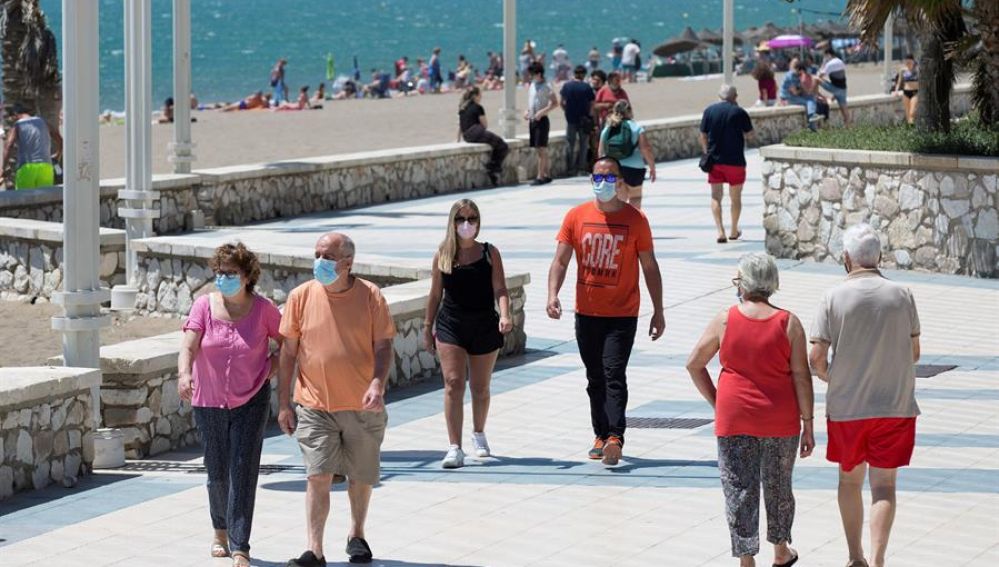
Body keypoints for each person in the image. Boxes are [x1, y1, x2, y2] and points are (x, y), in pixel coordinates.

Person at [686, 253, 815, 567]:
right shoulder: (789, 323)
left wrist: (719, 403)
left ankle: (746, 559)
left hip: (735, 419)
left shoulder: (725, 319)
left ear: (744, 282)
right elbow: (801, 374)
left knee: (739, 486)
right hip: (780, 420)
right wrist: (808, 422)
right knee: (778, 485)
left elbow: (694, 364)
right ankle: (781, 550)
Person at [277, 232, 395, 567]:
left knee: (360, 475)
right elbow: (287, 353)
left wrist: (377, 382)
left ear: (347, 262)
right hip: (314, 405)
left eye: (327, 256)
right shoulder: (300, 297)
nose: (319, 262)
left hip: (362, 405)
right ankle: (315, 550)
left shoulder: (370, 296)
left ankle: (356, 534)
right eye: (316, 254)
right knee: (318, 474)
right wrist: (284, 403)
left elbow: (384, 345)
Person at [808, 224, 921, 567]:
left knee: (849, 480)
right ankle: (877, 560)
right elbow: (914, 352)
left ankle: (855, 557)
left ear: (846, 259)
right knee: (884, 485)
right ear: (879, 258)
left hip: (848, 408)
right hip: (895, 406)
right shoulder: (902, 295)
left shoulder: (833, 297)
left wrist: (834, 378)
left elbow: (816, 358)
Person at [547, 156, 665, 466]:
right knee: (594, 377)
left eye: (610, 177)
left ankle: (616, 436)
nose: (604, 182)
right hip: (586, 313)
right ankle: (600, 435)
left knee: (614, 373)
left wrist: (659, 310)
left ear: (620, 181)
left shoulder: (635, 219)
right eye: (598, 177)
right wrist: (552, 294)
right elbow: (560, 260)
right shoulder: (576, 216)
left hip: (622, 315)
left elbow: (650, 267)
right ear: (591, 180)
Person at [178, 242, 283, 567]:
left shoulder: (264, 309)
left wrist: (269, 370)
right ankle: (219, 531)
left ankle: (240, 546)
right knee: (217, 471)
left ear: (247, 275)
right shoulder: (204, 306)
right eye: (219, 272)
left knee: (243, 470)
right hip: (208, 401)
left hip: (251, 399)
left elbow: (288, 344)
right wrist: (184, 374)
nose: (222, 278)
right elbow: (189, 343)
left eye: (230, 273)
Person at [423, 199, 512, 469]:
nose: (466, 224)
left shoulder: (489, 252)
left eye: (472, 219)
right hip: (451, 324)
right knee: (453, 383)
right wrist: (427, 327)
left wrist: (506, 314)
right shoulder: (443, 254)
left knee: (480, 387)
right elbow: (435, 293)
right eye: (461, 219)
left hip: (484, 322)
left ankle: (479, 433)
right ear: (452, 223)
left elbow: (501, 288)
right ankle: (454, 447)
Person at [699, 84, 755, 244]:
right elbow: (750, 134)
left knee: (716, 196)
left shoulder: (709, 111)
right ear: (734, 97)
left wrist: (706, 152)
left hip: (715, 161)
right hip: (735, 161)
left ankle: (720, 231)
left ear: (719, 96)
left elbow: (702, 134)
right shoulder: (739, 112)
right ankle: (733, 230)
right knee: (735, 197)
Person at [598, 100, 655, 210]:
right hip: (635, 169)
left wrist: (600, 171)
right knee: (635, 197)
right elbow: (645, 149)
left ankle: (619, 224)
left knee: (619, 200)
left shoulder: (608, 128)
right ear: (629, 111)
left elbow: (601, 151)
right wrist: (652, 167)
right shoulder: (636, 127)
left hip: (613, 168)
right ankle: (633, 224)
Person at [456, 87, 508, 186]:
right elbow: (485, 125)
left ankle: (493, 168)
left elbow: (460, 125)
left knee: (495, 143)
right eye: (480, 95)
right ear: (475, 96)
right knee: (502, 145)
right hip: (476, 132)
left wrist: (458, 140)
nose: (481, 97)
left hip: (466, 136)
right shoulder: (478, 107)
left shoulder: (462, 107)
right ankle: (493, 166)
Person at [2, 103, 61, 190]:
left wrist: (3, 167)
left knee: (24, 201)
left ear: (15, 115)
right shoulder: (43, 122)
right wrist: (57, 154)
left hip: (27, 168)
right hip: (46, 167)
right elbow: (60, 140)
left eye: (12, 119)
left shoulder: (18, 124)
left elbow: (8, 145)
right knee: (45, 200)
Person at [524, 62, 558, 186]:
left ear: (539, 74)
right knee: (538, 148)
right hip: (532, 120)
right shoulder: (532, 85)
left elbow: (554, 103)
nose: (531, 76)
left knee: (541, 149)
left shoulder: (547, 86)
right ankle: (546, 174)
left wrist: (542, 112)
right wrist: (527, 111)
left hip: (542, 120)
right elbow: (532, 102)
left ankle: (540, 176)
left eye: (532, 74)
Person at [560, 65, 596, 176]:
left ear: (574, 73)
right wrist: (590, 117)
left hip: (570, 119)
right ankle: (581, 169)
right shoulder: (586, 87)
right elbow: (592, 104)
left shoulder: (566, 86)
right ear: (584, 74)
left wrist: (566, 111)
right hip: (584, 119)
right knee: (583, 144)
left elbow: (562, 102)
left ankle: (570, 169)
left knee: (570, 144)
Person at [779, 58, 821, 129]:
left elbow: (802, 89)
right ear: (799, 69)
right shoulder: (790, 76)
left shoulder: (797, 75)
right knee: (808, 101)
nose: (803, 73)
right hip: (787, 98)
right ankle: (811, 118)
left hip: (793, 96)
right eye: (802, 71)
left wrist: (808, 91)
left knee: (811, 98)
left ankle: (811, 118)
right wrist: (802, 90)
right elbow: (795, 92)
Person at [818, 47, 850, 125]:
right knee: (844, 111)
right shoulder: (840, 61)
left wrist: (823, 63)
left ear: (828, 54)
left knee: (816, 79)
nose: (824, 57)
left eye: (825, 56)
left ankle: (815, 95)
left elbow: (819, 75)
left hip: (836, 89)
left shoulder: (830, 64)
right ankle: (848, 126)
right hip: (843, 89)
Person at [893, 55, 919, 125]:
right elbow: (899, 82)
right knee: (907, 113)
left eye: (910, 62)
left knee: (912, 112)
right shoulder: (903, 70)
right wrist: (896, 91)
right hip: (906, 92)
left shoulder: (917, 70)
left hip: (915, 92)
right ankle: (910, 128)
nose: (908, 64)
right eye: (907, 62)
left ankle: (912, 125)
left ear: (913, 62)